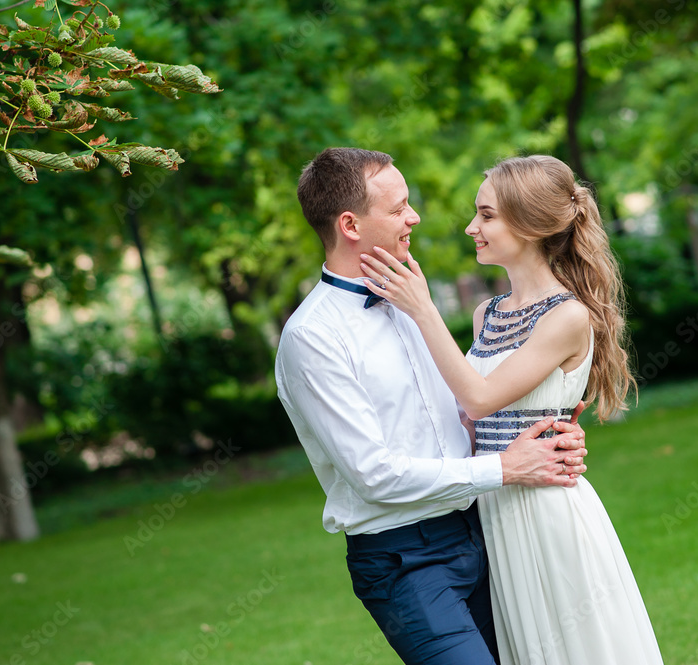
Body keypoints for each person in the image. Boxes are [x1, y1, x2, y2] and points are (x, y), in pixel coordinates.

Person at [275, 147, 591, 665]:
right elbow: (373, 476)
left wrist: (545, 432)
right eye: (399, 208)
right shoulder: (313, 338)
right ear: (351, 224)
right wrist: (506, 467)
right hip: (405, 560)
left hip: (484, 532)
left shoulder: (412, 303)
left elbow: (463, 417)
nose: (414, 217)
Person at [359, 155, 665, 664]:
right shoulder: (488, 313)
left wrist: (423, 308)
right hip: (495, 504)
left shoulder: (567, 316)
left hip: (546, 508)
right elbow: (472, 411)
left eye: (487, 215)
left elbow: (478, 397)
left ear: (528, 224)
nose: (470, 227)